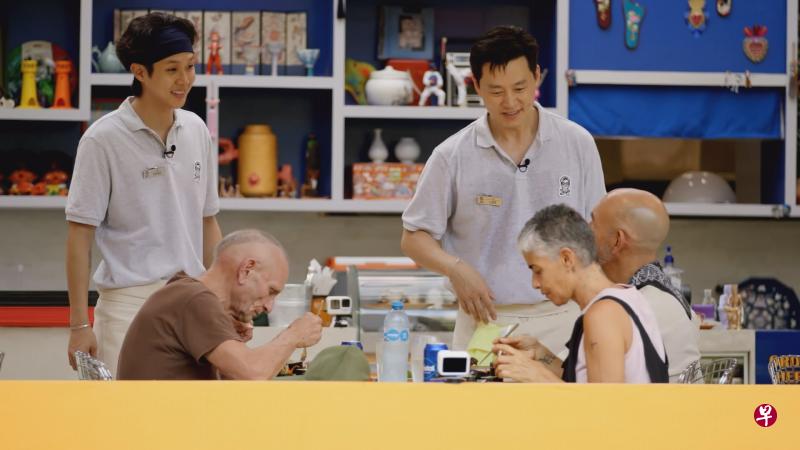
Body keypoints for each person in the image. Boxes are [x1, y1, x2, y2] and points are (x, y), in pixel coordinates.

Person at [401, 26, 606, 355]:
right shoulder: (451, 155)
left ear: (537, 77)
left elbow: (599, 231)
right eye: (496, 91)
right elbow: (413, 237)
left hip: (566, 317)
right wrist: (456, 268)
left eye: (520, 87)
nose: (510, 102)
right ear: (477, 86)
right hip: (485, 321)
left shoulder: (577, 143)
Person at [65, 12, 222, 376]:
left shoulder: (197, 129)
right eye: (171, 70)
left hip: (193, 302)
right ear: (139, 72)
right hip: (127, 307)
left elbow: (208, 222)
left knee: (193, 423)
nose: (185, 80)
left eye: (190, 67)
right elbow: (79, 237)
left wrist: (223, 300)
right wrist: (78, 325)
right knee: (126, 425)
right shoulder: (102, 139)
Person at [492, 204, 668, 383]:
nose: (534, 284)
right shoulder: (626, 296)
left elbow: (603, 407)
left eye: (538, 270)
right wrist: (541, 354)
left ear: (566, 259)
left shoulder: (603, 315)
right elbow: (586, 384)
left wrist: (539, 376)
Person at [117, 230, 323, 380]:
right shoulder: (194, 299)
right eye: (271, 291)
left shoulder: (185, 294)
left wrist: (230, 339)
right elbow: (252, 374)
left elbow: (235, 381)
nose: (269, 307)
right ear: (246, 270)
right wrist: (293, 335)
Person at [590, 188, 700, 382]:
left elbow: (600, 397)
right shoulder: (658, 290)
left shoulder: (639, 307)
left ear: (617, 240)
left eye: (593, 222)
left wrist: (536, 372)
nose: (586, 230)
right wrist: (544, 356)